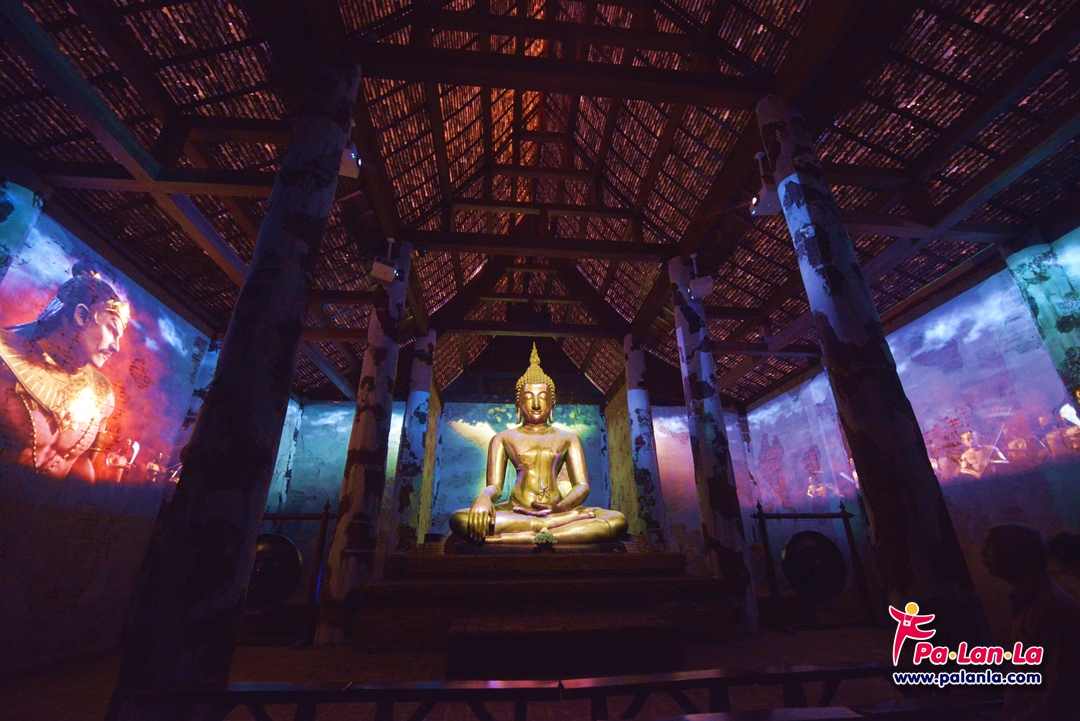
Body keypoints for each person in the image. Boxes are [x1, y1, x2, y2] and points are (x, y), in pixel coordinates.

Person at [449, 344, 627, 545]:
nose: (535, 404)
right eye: (528, 397)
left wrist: (561, 508)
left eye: (542, 397)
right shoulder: (503, 438)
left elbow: (582, 485)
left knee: (616, 520)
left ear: (552, 402)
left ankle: (525, 534)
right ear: (518, 404)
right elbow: (495, 486)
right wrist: (483, 498)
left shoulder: (568, 439)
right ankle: (546, 530)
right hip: (517, 511)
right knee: (460, 519)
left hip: (558, 511)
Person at [0, 261, 128, 482]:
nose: (116, 346)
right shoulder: (4, 360)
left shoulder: (103, 395)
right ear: (81, 316)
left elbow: (81, 463)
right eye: (111, 329)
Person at [982, 524, 1080, 720]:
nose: (983, 553)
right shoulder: (1028, 602)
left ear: (1017, 554)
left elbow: (1059, 689)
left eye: (991, 545)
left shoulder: (1054, 607)